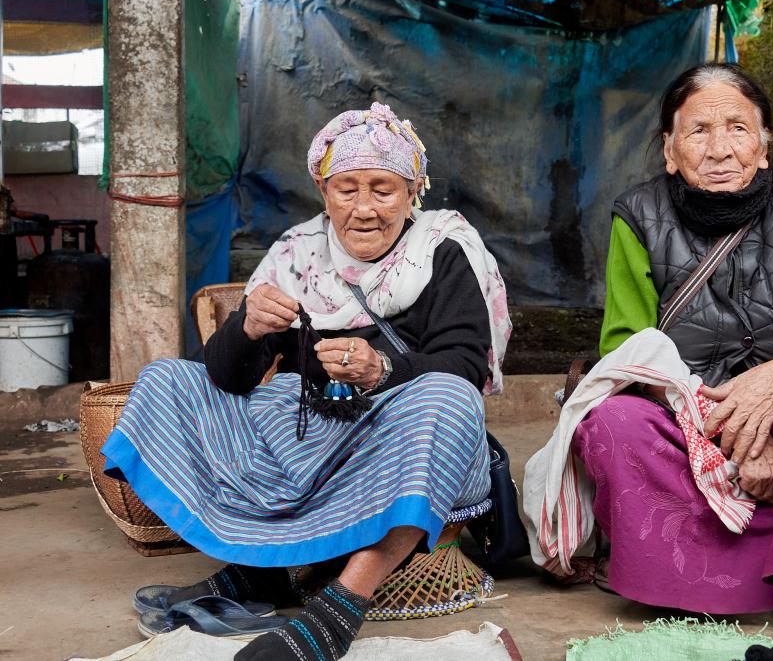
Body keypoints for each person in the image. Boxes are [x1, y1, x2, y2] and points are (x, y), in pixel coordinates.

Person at [101, 102, 512, 661]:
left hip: (410, 445)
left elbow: (466, 364)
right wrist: (246, 328)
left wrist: (383, 368)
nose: (364, 208)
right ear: (323, 191)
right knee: (168, 378)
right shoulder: (296, 256)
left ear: (412, 192)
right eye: (347, 189)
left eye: (383, 189)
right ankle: (258, 572)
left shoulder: (442, 251)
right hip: (303, 442)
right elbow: (225, 377)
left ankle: (340, 607)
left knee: (448, 395)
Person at [525, 63, 773, 633]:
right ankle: (703, 571)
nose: (720, 148)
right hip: (692, 418)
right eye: (699, 131)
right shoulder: (638, 216)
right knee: (612, 422)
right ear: (670, 150)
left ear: (765, 144)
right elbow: (628, 352)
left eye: (738, 128)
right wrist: (731, 434)